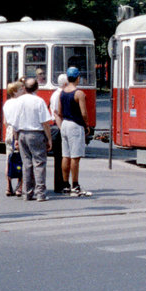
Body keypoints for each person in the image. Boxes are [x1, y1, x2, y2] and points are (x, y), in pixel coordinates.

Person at [6, 76, 54, 201]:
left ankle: (27, 193)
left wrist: (16, 138)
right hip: (36, 134)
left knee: (26, 163)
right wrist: (49, 139)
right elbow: (45, 122)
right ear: (36, 88)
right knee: (39, 163)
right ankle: (41, 194)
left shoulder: (18, 101)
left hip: (22, 134)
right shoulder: (39, 101)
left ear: (24, 88)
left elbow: (14, 122)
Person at [54, 66, 91, 196]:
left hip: (65, 124)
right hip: (75, 125)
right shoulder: (79, 93)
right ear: (78, 78)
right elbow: (84, 113)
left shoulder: (62, 92)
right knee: (75, 157)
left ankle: (65, 184)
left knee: (66, 155)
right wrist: (86, 125)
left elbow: (59, 111)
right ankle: (75, 185)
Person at [3, 80, 25, 197]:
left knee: (9, 159)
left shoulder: (7, 103)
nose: (23, 90)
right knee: (20, 160)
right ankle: (19, 187)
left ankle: (8, 187)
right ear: (15, 91)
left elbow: (5, 122)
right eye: (21, 89)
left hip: (9, 132)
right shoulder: (20, 103)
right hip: (18, 132)